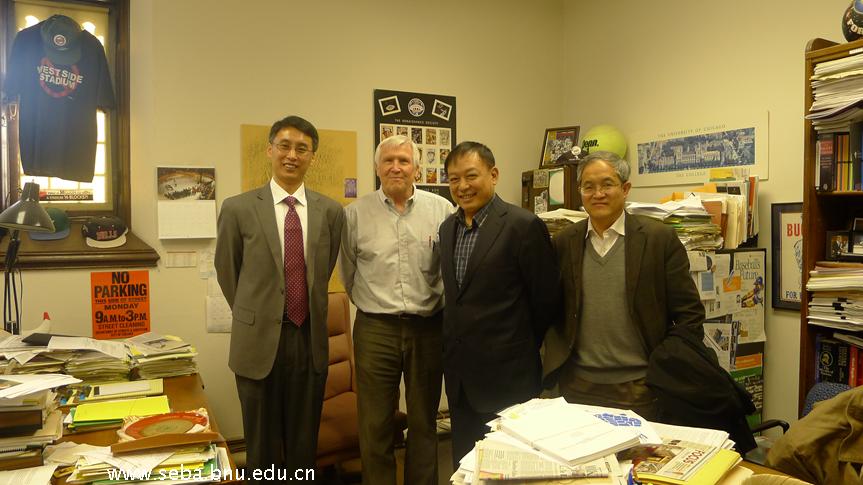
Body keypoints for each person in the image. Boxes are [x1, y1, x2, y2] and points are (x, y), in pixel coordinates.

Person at [215, 115, 344, 482]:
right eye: (284, 146)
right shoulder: (238, 208)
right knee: (262, 445)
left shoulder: (330, 212)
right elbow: (228, 272)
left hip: (308, 339)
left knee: (304, 443)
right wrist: (260, 313)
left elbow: (322, 271)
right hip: (258, 342)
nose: (292, 155)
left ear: (312, 157)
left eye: (302, 149)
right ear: (269, 150)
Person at [542, 150, 704, 421]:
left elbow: (690, 314)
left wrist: (664, 365)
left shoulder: (658, 239)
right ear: (580, 192)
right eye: (588, 187)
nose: (598, 194)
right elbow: (551, 310)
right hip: (578, 386)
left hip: (640, 387)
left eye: (607, 184)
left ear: (625, 188)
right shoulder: (564, 242)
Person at [438, 141, 561, 467]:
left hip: (509, 378)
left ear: (493, 175)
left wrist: (516, 345)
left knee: (510, 466)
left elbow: (546, 300)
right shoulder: (447, 228)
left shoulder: (522, 226)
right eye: (454, 179)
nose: (462, 186)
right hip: (461, 379)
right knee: (465, 466)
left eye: (471, 176)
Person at [339, 135, 453, 485]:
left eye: (404, 160)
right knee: (375, 424)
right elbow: (348, 274)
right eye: (388, 160)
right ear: (377, 168)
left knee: (423, 422)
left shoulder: (442, 211)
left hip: (428, 328)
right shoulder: (354, 215)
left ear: (417, 168)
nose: (396, 167)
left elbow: (449, 270)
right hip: (376, 330)